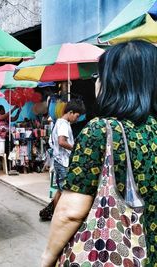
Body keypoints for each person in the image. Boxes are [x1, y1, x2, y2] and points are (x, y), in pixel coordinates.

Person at [41, 40, 157, 266]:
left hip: (119, 255)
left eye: (99, 76)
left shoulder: (101, 130)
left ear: (115, 81)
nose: (97, 82)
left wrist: (47, 257)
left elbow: (70, 213)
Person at [39, 99, 85, 221]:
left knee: (61, 189)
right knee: (65, 191)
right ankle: (59, 216)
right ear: (70, 112)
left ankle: (53, 213)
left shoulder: (58, 122)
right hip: (63, 161)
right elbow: (61, 141)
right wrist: (75, 148)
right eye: (77, 115)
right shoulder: (64, 124)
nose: (77, 119)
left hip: (59, 160)